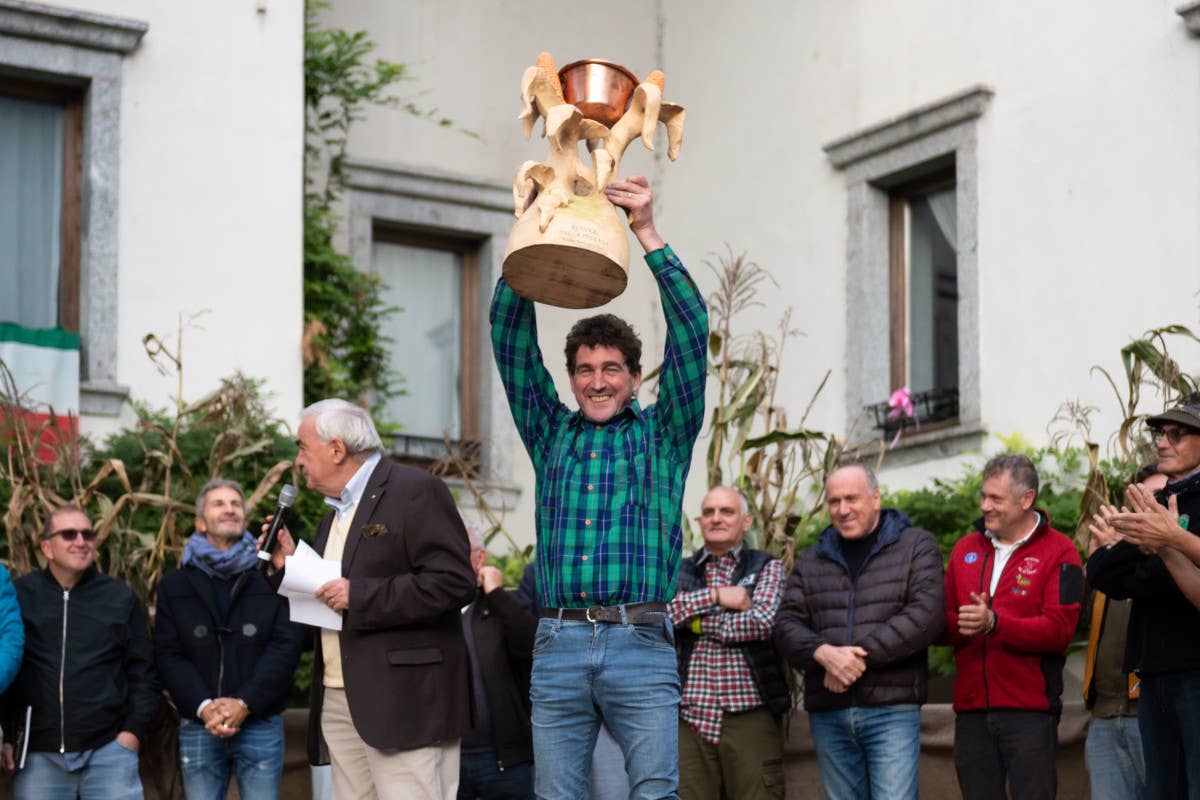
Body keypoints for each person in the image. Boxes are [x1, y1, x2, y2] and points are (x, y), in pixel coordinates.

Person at [490, 174, 708, 798]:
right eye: (584, 369)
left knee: (653, 793)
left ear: (635, 378)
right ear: (572, 378)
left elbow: (692, 336)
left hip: (639, 639)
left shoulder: (664, 437)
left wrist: (645, 232)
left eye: (611, 368)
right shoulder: (549, 433)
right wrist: (532, 227)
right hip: (557, 641)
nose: (597, 380)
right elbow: (509, 337)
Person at [264, 399, 476, 800]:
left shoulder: (416, 491)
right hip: (341, 697)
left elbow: (455, 581)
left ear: (337, 449)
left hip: (405, 702)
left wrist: (359, 595)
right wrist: (291, 566)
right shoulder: (336, 512)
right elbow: (332, 595)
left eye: (303, 448)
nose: (298, 461)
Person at [774, 464, 944, 800]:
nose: (842, 509)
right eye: (834, 501)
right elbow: (785, 625)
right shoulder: (812, 561)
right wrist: (822, 653)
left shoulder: (915, 546)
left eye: (851, 498)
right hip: (829, 714)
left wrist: (852, 660)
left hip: (891, 710)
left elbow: (926, 616)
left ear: (876, 498)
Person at [943, 454, 1083, 800]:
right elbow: (941, 621)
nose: (984, 506)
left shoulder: (1061, 551)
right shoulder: (964, 549)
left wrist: (995, 624)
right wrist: (960, 624)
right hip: (971, 714)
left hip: (1030, 715)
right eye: (983, 496)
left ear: (1026, 500)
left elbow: (1059, 630)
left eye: (995, 499)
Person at [154, 478, 304, 799]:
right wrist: (205, 706)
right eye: (219, 504)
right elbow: (168, 654)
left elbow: (286, 646)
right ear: (200, 521)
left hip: (260, 721)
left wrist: (244, 702)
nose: (230, 510)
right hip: (199, 724)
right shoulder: (174, 586)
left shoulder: (271, 577)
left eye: (236, 504)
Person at [0, 505, 159, 799]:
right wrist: (9, 736)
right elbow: (8, 667)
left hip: (108, 752)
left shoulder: (119, 598)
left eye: (88, 534)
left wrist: (132, 734)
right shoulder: (21, 595)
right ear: (47, 547)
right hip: (39, 755)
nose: (81, 541)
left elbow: (143, 672)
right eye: (69, 534)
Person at [1088, 393, 1200, 800]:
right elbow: (1102, 571)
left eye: (1178, 433)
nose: (1162, 442)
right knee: (1162, 790)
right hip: (1153, 673)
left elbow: (1146, 575)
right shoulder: (1154, 504)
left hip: (1194, 672)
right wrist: (1159, 554)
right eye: (1161, 433)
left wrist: (1171, 543)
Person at [669, 486, 788, 800]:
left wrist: (692, 622)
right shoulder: (678, 570)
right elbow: (663, 615)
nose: (716, 518)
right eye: (708, 512)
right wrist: (717, 595)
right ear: (699, 521)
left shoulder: (766, 566)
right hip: (688, 716)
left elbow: (761, 622)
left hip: (749, 713)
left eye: (727, 511)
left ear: (746, 522)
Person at [1080, 465, 1164, 800]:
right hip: (1103, 715)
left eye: (1157, 498)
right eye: (1140, 499)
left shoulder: (1178, 557)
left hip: (1150, 710)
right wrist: (1097, 565)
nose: (1147, 508)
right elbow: (1076, 626)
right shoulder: (1115, 556)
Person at [459, 524, 536, 800]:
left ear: (480, 558)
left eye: (458, 551)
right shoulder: (431, 610)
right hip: (446, 759)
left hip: (504, 760)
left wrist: (496, 593)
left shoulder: (499, 607)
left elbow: (531, 644)